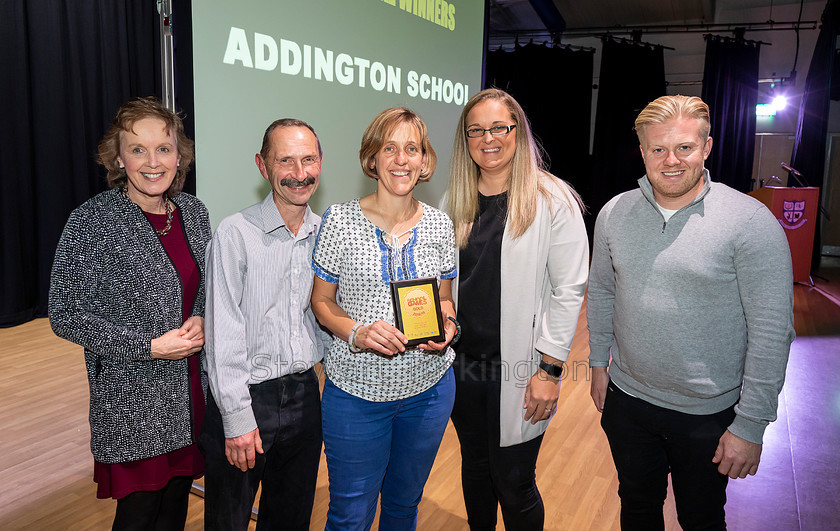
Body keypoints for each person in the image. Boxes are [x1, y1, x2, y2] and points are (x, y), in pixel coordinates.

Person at [587, 95, 795, 530]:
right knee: (637, 509)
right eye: (657, 149)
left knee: (700, 520)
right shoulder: (613, 213)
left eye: (684, 147)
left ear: (707, 147)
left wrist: (751, 425)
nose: (671, 161)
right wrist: (596, 363)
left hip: (708, 417)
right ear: (642, 152)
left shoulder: (751, 222)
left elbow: (772, 333)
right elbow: (603, 291)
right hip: (628, 403)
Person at [49, 96, 211, 529]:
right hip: (131, 402)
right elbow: (64, 312)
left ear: (180, 156)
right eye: (138, 149)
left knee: (176, 508)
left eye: (164, 148)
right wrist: (148, 346)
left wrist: (201, 317)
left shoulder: (194, 214)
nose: (152, 161)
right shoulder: (92, 221)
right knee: (139, 517)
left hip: (191, 395)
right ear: (119, 157)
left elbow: (203, 287)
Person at [444, 88, 589, 530]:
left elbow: (569, 289)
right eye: (476, 131)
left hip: (522, 370)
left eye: (499, 128)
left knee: (514, 480)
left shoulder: (553, 199)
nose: (488, 138)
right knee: (475, 470)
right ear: (465, 140)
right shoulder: (454, 201)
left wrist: (549, 372)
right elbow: (443, 284)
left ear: (518, 132)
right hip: (462, 367)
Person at [310, 107, 459, 530]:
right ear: (372, 158)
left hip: (429, 393)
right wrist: (356, 332)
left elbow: (445, 299)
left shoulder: (439, 226)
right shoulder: (340, 220)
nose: (401, 159)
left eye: (412, 148)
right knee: (350, 517)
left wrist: (448, 327)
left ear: (425, 160)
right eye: (389, 148)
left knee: (402, 507)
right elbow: (322, 301)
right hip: (356, 395)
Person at [200, 118, 328, 530]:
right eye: (285, 160)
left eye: (308, 159)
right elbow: (222, 335)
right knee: (229, 521)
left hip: (306, 398)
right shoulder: (234, 234)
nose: (299, 173)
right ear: (262, 165)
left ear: (321, 164)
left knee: (291, 519)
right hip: (246, 397)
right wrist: (236, 418)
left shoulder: (325, 233)